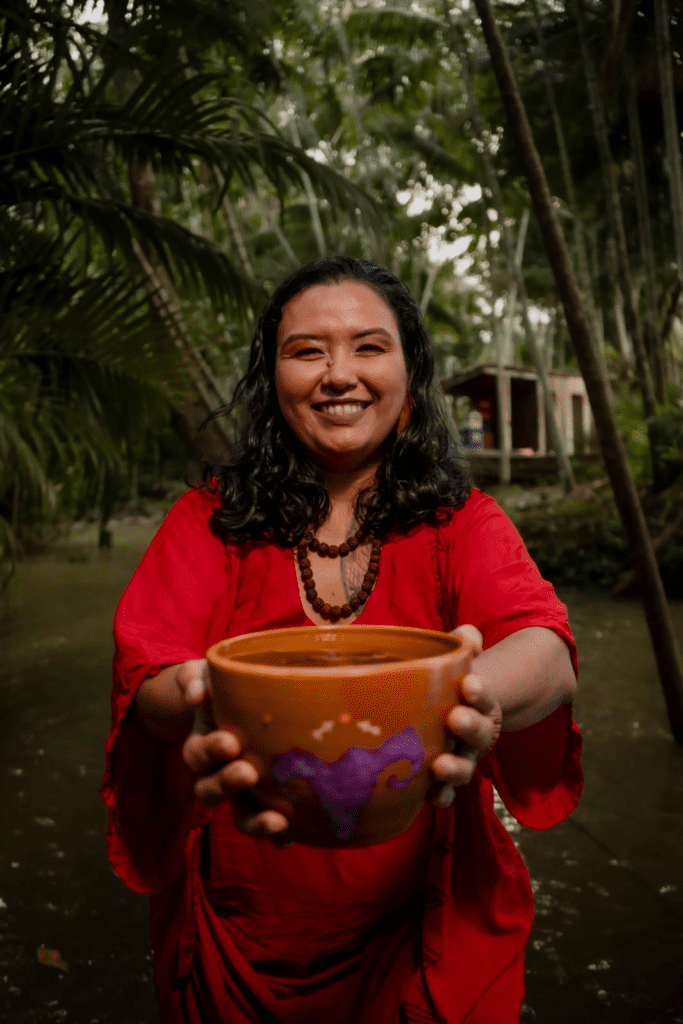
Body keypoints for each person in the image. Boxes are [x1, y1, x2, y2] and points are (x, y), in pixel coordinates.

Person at [102, 256, 582, 1024]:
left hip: (430, 921)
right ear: (271, 378)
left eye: (367, 346)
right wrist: (205, 703)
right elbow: (146, 665)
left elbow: (547, 649)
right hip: (241, 932)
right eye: (306, 351)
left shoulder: (460, 520)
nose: (337, 374)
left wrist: (472, 697)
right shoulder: (207, 518)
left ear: (409, 374)